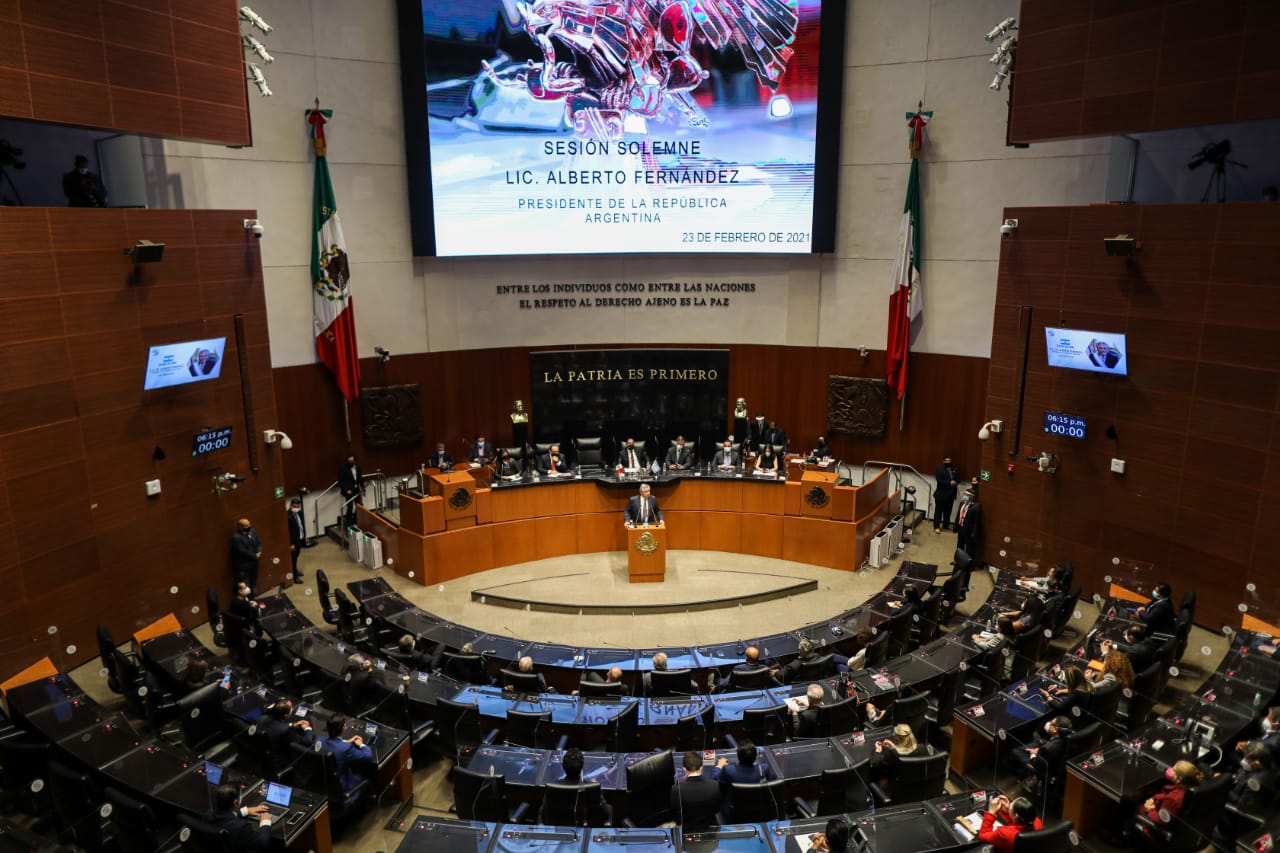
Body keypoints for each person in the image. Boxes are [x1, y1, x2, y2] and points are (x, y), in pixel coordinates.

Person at [1131, 760, 1204, 846]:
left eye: (1173, 770)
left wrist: (1149, 809)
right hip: (1176, 822)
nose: (1170, 770)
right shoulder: (1192, 788)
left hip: (1157, 830)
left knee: (1132, 805)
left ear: (1179, 779)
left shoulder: (1173, 800)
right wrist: (1154, 800)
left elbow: (1162, 821)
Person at [1218, 742, 1280, 841]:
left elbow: (1243, 805)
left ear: (1257, 763)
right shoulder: (1273, 767)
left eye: (1247, 760)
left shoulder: (1256, 782)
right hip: (1264, 805)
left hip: (1239, 819)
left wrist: (1224, 788)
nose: (1244, 761)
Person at [1009, 716, 1072, 804]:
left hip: (1042, 766)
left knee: (1016, 751)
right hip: (1051, 753)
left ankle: (1024, 775)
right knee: (1035, 736)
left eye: (1051, 723)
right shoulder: (1068, 738)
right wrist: (1040, 750)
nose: (1048, 723)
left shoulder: (1048, 749)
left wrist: (1034, 753)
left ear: (1055, 730)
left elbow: (1036, 764)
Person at [542, 747, 612, 825]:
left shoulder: (552, 787)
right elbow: (605, 814)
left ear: (563, 766)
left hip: (559, 828)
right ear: (582, 767)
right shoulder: (593, 787)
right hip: (585, 828)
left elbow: (544, 816)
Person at [318, 714, 374, 805]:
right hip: (343, 789)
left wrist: (345, 742)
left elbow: (334, 746)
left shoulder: (319, 741)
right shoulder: (346, 748)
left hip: (323, 786)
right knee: (365, 774)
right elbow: (368, 755)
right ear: (343, 728)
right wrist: (361, 744)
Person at [205, 783, 271, 850]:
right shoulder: (241, 827)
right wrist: (265, 822)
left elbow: (224, 815)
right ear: (236, 803)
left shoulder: (207, 815)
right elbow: (262, 843)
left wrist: (245, 811)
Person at [671, 750, 721, 831]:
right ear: (701, 768)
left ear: (684, 769)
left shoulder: (676, 789)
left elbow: (675, 815)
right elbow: (717, 809)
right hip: (710, 829)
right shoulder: (715, 785)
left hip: (687, 830)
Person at [259, 700, 315, 769]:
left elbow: (277, 725)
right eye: (291, 708)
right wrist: (307, 729)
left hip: (263, 753)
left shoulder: (262, 718)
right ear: (286, 715)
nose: (292, 709)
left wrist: (292, 725)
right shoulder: (285, 731)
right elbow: (307, 742)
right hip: (278, 761)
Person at [229, 518, 262, 592]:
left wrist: (259, 551)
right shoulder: (236, 537)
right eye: (247, 526)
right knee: (246, 585)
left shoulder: (252, 531)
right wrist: (255, 556)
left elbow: (258, 543)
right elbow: (242, 551)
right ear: (240, 527)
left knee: (254, 581)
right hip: (244, 565)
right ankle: (248, 597)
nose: (249, 526)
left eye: (249, 524)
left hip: (254, 562)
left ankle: (253, 595)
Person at [934, 456, 960, 533]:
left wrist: (956, 482)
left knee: (948, 512)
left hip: (951, 495)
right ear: (943, 461)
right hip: (941, 495)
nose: (948, 462)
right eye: (947, 461)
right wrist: (950, 483)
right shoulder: (940, 469)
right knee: (938, 512)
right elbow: (939, 480)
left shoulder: (955, 469)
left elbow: (959, 479)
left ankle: (946, 525)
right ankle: (936, 526)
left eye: (949, 461)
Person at [955, 488, 982, 559]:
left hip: (968, 530)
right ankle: (958, 561)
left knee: (969, 548)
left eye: (967, 495)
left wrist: (973, 533)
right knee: (959, 545)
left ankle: (967, 562)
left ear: (972, 497)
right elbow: (958, 515)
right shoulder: (962, 503)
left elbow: (976, 522)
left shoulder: (976, 507)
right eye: (964, 494)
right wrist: (956, 526)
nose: (964, 496)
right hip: (961, 527)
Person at [338, 454, 363, 527]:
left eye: (352, 460)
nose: (351, 462)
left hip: (356, 489)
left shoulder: (358, 467)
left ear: (354, 460)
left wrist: (363, 489)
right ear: (347, 461)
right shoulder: (343, 468)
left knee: (359, 505)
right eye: (350, 461)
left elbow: (360, 478)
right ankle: (348, 522)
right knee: (350, 507)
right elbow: (341, 481)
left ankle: (356, 519)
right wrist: (346, 490)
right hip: (348, 491)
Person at [286, 498, 306, 581]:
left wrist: (304, 536)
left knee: (296, 556)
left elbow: (302, 525)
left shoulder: (300, 513)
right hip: (293, 543)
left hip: (299, 540)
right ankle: (295, 576)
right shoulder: (287, 516)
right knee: (293, 559)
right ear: (291, 505)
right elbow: (288, 532)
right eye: (295, 506)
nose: (296, 508)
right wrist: (291, 544)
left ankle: (295, 571)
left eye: (298, 506)